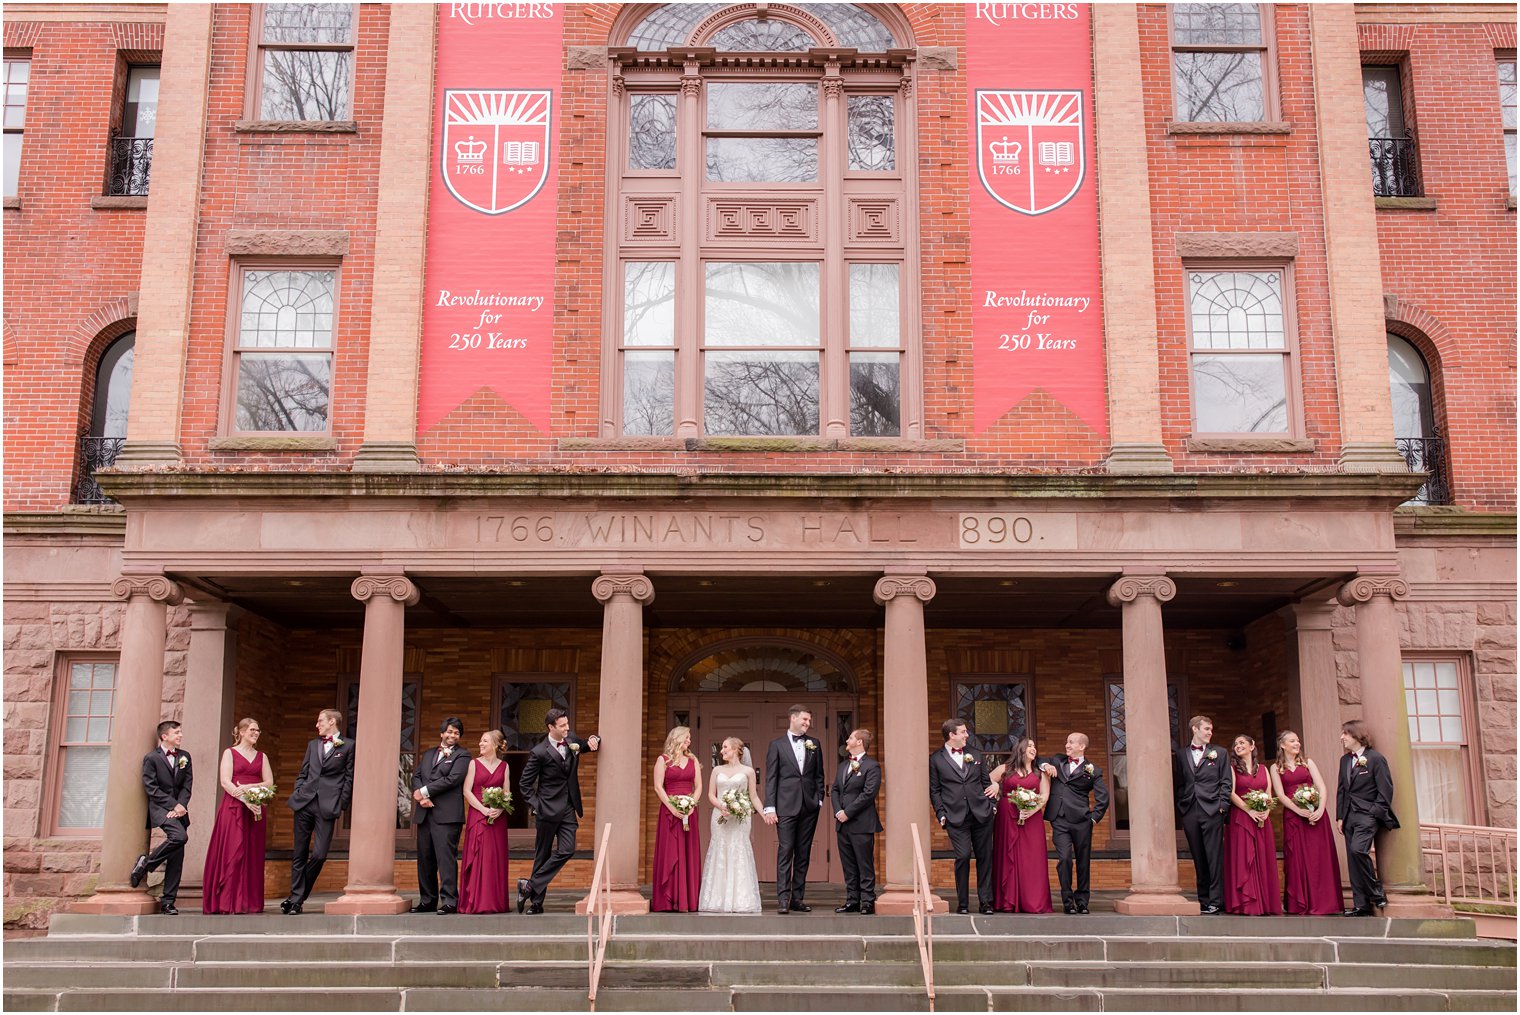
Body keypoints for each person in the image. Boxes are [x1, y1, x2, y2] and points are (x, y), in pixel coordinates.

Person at [517, 708, 601, 914]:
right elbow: (525, 785)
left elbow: (587, 744)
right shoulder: (539, 752)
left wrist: (594, 738)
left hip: (568, 808)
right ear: (551, 727)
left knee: (567, 849)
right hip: (547, 810)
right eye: (562, 725)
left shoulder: (571, 739)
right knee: (542, 855)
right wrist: (538, 807)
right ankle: (536, 903)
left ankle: (528, 885)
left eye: (567, 724)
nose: (567, 728)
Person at [282, 708, 354, 915]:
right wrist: (298, 791)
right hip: (304, 802)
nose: (317, 725)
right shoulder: (313, 745)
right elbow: (303, 772)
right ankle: (295, 901)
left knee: (320, 854)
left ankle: (298, 895)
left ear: (332, 722)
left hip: (327, 805)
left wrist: (341, 804)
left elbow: (349, 778)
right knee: (299, 854)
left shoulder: (349, 746)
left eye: (320, 721)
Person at [202, 717, 273, 914]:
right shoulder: (230, 753)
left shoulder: (262, 756)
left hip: (256, 809)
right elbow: (225, 781)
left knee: (252, 854)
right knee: (233, 852)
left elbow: (268, 782)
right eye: (251, 729)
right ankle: (226, 902)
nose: (255, 733)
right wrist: (244, 799)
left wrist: (252, 789)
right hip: (234, 807)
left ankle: (248, 902)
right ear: (241, 732)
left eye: (258, 730)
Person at [762, 704, 827, 914]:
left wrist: (819, 800)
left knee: (803, 854)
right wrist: (769, 807)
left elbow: (819, 775)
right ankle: (783, 899)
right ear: (793, 718)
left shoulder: (814, 744)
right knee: (785, 850)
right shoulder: (777, 745)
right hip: (785, 806)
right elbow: (771, 778)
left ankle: (797, 899)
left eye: (809, 721)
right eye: (804, 720)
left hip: (809, 806)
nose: (807, 724)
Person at [1270, 729, 1343, 915]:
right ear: (1283, 745)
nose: (1297, 744)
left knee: (1319, 858)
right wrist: (1298, 810)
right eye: (1293, 741)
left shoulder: (1308, 763)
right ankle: (1300, 903)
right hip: (1294, 817)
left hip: (1315, 818)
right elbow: (1279, 794)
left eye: (1298, 741)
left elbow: (1322, 787)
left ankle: (1325, 902)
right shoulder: (1276, 768)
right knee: (1297, 859)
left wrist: (1319, 809)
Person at [928, 718, 996, 914]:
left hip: (982, 814)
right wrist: (941, 814)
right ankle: (963, 903)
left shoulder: (975, 754)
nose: (967, 735)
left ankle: (986, 902)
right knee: (963, 856)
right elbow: (935, 790)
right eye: (963, 732)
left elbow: (986, 782)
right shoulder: (936, 759)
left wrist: (992, 805)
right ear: (952, 735)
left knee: (985, 858)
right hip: (955, 817)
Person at [1038, 731, 1108, 914]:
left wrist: (1093, 818)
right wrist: (1045, 765)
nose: (1067, 745)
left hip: (1082, 821)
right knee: (1065, 858)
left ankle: (1082, 901)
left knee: (1083, 861)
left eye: (1071, 742)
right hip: (1059, 819)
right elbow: (1038, 759)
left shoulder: (1093, 770)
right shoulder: (1058, 760)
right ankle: (1067, 901)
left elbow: (1103, 797)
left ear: (1081, 746)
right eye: (1067, 742)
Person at [130, 719, 192, 915]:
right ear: (165, 736)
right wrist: (173, 805)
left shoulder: (185, 757)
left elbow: (187, 786)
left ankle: (168, 902)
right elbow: (151, 788)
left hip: (180, 810)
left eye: (180, 732)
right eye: (176, 733)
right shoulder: (151, 758)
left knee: (177, 857)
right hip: (161, 808)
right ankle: (146, 864)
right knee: (179, 837)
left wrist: (181, 806)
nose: (180, 735)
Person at [1337, 719, 1398, 916]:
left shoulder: (1375, 759)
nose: (1342, 737)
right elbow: (1342, 790)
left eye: (1345, 734)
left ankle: (1375, 891)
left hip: (1367, 815)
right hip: (1348, 817)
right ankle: (1360, 905)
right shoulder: (1345, 760)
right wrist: (1340, 817)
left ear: (1356, 735)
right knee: (1353, 861)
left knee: (1358, 851)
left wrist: (1374, 812)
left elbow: (1385, 789)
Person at [698, 736, 765, 914]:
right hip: (720, 817)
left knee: (739, 850)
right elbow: (711, 795)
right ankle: (717, 899)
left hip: (740, 819)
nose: (722, 751)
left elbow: (753, 797)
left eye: (725, 747)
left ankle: (740, 899)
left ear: (735, 749)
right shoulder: (716, 770)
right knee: (720, 850)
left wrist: (764, 812)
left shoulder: (748, 771)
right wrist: (722, 806)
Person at [1173, 714, 1231, 915]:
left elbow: (1226, 781)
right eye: (1206, 729)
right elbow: (1179, 783)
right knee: (1198, 856)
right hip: (1190, 810)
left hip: (1212, 810)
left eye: (1211, 729)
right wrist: (1182, 806)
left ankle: (1216, 900)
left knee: (1214, 856)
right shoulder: (1181, 755)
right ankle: (1204, 899)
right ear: (1195, 729)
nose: (1210, 733)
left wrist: (1222, 806)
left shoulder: (1220, 753)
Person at [411, 717, 469, 914]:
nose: (453, 735)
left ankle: (450, 901)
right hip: (425, 813)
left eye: (457, 733)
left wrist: (425, 791)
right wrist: (420, 796)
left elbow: (453, 779)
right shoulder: (428, 754)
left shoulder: (463, 756)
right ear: (442, 733)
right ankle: (427, 900)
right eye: (450, 732)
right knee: (425, 859)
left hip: (447, 816)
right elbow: (416, 776)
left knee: (445, 859)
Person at [989, 735, 1052, 914]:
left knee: (1031, 859)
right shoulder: (1005, 769)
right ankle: (1006, 900)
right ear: (1021, 749)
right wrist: (994, 786)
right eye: (1029, 745)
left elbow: (1044, 796)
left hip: (1031, 819)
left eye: (1034, 746)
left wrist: (1032, 810)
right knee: (1006, 855)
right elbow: (987, 779)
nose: (1033, 748)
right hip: (1006, 817)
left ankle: (1032, 901)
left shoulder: (1041, 772)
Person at [1224, 733, 1279, 915]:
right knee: (1244, 860)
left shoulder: (1263, 769)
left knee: (1262, 859)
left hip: (1262, 821)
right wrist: (1249, 810)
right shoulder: (1232, 769)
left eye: (1241, 743)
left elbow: (1269, 794)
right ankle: (1245, 903)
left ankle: (1265, 903)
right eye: (1236, 743)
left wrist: (1266, 811)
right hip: (1241, 819)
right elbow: (1231, 793)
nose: (1238, 746)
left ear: (1252, 745)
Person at [458, 729, 512, 914]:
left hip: (497, 819)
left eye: (485, 741)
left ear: (496, 745)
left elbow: (506, 793)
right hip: (478, 816)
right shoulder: (473, 764)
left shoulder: (504, 766)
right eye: (481, 741)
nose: (480, 744)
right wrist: (483, 810)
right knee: (479, 856)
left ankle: (494, 902)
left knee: (494, 859)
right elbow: (467, 791)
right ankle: (474, 902)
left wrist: (500, 808)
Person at [830, 728, 882, 914]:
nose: (847, 739)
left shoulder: (872, 766)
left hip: (861, 823)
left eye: (851, 737)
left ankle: (867, 900)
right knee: (849, 864)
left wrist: (848, 812)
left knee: (864, 863)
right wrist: (838, 811)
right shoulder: (843, 766)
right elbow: (835, 789)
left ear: (859, 742)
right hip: (842, 824)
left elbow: (869, 794)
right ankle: (852, 899)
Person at [651, 725, 703, 912]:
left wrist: (691, 806)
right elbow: (658, 787)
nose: (689, 741)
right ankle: (667, 899)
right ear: (677, 738)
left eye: (689, 738)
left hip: (689, 813)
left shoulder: (693, 760)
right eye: (687, 737)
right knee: (670, 851)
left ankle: (687, 900)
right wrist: (672, 808)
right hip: (669, 813)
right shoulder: (662, 760)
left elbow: (698, 787)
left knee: (688, 852)